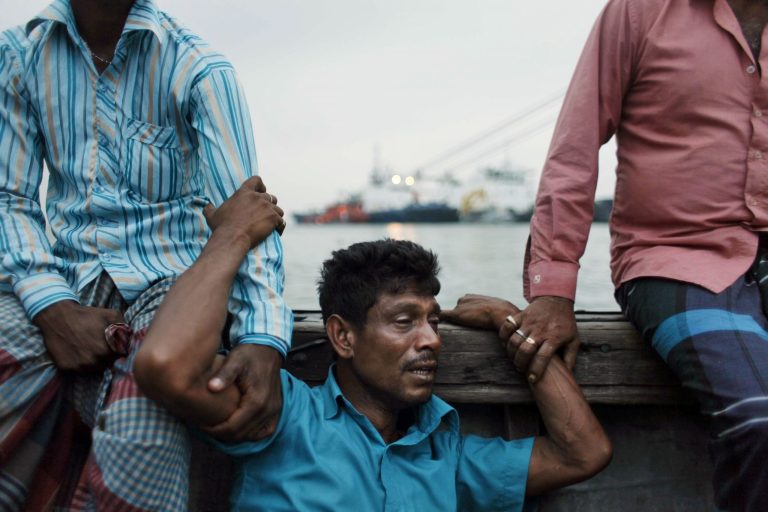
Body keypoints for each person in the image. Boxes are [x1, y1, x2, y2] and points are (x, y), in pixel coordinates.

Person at [134, 185, 612, 511]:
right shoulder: (283, 413)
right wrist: (232, 236)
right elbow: (166, 366)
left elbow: (583, 453)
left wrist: (509, 320)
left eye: (434, 320)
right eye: (404, 322)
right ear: (343, 336)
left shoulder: (446, 458)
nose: (430, 339)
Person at [0, 1, 291, 509]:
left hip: (171, 286)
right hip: (63, 275)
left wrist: (263, 337)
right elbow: (12, 198)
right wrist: (51, 305)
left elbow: (246, 214)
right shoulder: (21, 55)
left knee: (143, 430)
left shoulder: (200, 69)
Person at [511, 0, 768, 509]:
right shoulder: (638, 13)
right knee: (758, 419)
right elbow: (575, 147)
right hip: (676, 258)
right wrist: (553, 292)